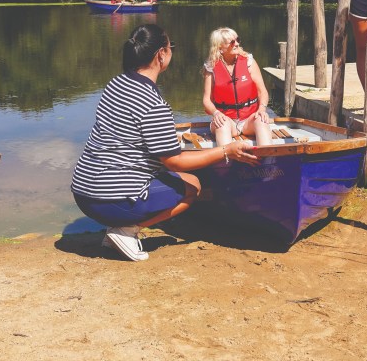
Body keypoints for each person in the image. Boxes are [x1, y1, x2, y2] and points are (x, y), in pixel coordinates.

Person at [71, 24, 257, 261]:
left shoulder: (115, 84)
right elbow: (174, 162)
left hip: (83, 191)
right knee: (193, 188)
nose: (172, 52)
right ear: (161, 54)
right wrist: (226, 151)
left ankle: (119, 226)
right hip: (110, 197)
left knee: (184, 179)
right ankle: (126, 231)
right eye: (171, 47)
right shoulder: (153, 103)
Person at [202, 27, 273, 147]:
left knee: (261, 120)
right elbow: (206, 100)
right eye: (232, 42)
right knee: (222, 124)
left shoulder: (249, 61)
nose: (237, 44)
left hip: (249, 119)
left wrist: (262, 108)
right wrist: (216, 113)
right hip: (227, 120)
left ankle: (267, 162)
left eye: (237, 40)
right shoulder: (211, 67)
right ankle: (226, 163)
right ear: (220, 47)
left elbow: (263, 92)